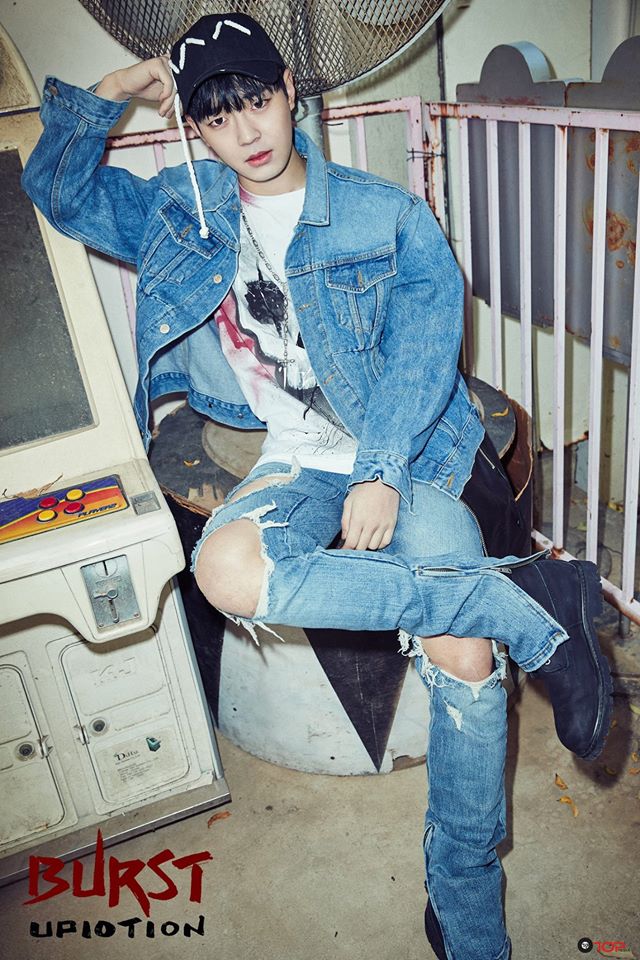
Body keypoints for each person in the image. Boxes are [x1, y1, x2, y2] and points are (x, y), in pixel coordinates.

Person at [22, 13, 612, 959]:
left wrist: (378, 473)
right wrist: (122, 86)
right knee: (226, 570)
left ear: (289, 89)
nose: (246, 131)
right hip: (292, 459)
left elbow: (425, 355)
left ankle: (465, 903)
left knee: (465, 657)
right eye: (218, 117)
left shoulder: (386, 215)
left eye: (257, 100)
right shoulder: (184, 210)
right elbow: (55, 187)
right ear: (195, 128)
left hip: (406, 449)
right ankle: (528, 601)